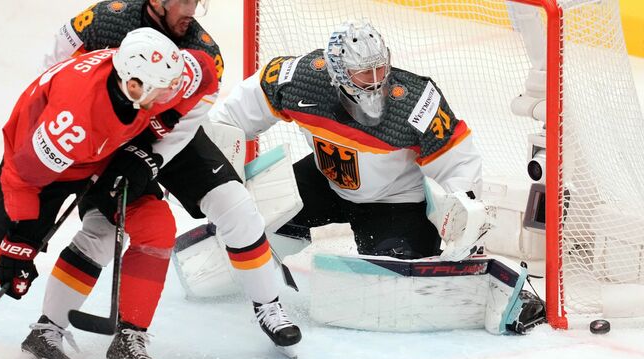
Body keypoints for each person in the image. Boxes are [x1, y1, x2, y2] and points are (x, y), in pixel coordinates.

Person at [0, 27, 217, 359]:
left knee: (157, 227)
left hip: (106, 153)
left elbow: (206, 75)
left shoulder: (159, 75)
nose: (171, 95)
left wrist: (151, 141)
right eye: (162, 92)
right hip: (40, 169)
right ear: (133, 85)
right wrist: (20, 242)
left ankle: (130, 338)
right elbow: (22, 177)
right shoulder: (73, 120)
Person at [11, 0, 302, 359]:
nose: (192, 11)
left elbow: (192, 114)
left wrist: (152, 157)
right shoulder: (102, 21)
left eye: (198, 2)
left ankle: (269, 305)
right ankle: (47, 331)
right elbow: (52, 75)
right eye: (184, 1)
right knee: (100, 231)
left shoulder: (204, 51)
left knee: (237, 206)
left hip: (167, 135)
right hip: (106, 136)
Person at [204, 20, 545, 335]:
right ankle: (241, 275)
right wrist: (215, 176)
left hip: (396, 201)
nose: (376, 79)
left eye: (380, 68)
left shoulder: (415, 102)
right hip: (326, 180)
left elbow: (459, 163)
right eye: (363, 73)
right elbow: (231, 116)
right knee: (255, 221)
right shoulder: (298, 79)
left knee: (390, 287)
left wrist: (461, 216)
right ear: (337, 72)